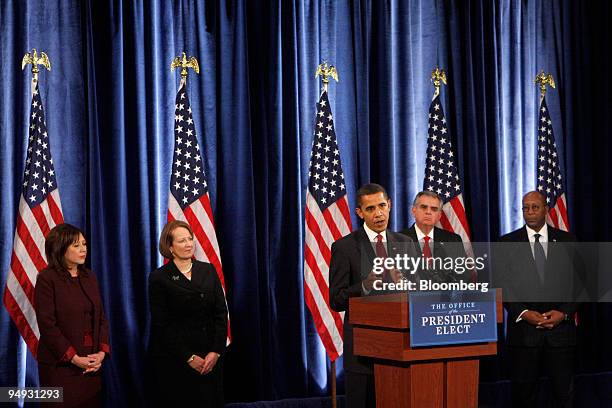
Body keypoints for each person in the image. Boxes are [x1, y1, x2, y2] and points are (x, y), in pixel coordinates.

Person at [329, 183, 415, 408]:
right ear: (359, 212)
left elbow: (418, 291)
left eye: (382, 206)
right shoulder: (344, 247)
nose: (378, 213)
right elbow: (336, 299)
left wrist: (404, 283)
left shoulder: (405, 243)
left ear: (390, 205)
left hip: (400, 349)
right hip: (362, 355)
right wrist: (364, 286)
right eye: (370, 209)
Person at [498, 191, 578, 408]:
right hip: (524, 334)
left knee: (564, 395)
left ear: (546, 209)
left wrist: (563, 313)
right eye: (525, 208)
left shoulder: (567, 240)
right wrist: (523, 313)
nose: (530, 212)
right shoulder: (507, 242)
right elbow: (502, 285)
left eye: (535, 207)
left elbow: (579, 285)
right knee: (523, 396)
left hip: (561, 334)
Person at [148, 220, 227, 407]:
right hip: (177, 361)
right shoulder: (159, 278)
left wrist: (215, 351)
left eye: (190, 239)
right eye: (182, 241)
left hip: (210, 359)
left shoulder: (208, 270)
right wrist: (188, 357)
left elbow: (221, 313)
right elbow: (161, 324)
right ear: (170, 247)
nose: (188, 244)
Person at [35, 223, 110, 408]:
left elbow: (101, 318)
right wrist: (74, 358)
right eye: (76, 245)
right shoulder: (46, 278)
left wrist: (101, 353)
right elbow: (47, 325)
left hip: (91, 366)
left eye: (84, 244)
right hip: (60, 367)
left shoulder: (89, 277)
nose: (83, 249)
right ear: (60, 248)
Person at [401, 190, 467, 283]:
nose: (428, 212)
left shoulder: (452, 240)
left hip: (445, 296)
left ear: (439, 215)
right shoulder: (398, 239)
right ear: (413, 211)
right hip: (410, 296)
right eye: (424, 207)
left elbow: (462, 276)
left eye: (434, 209)